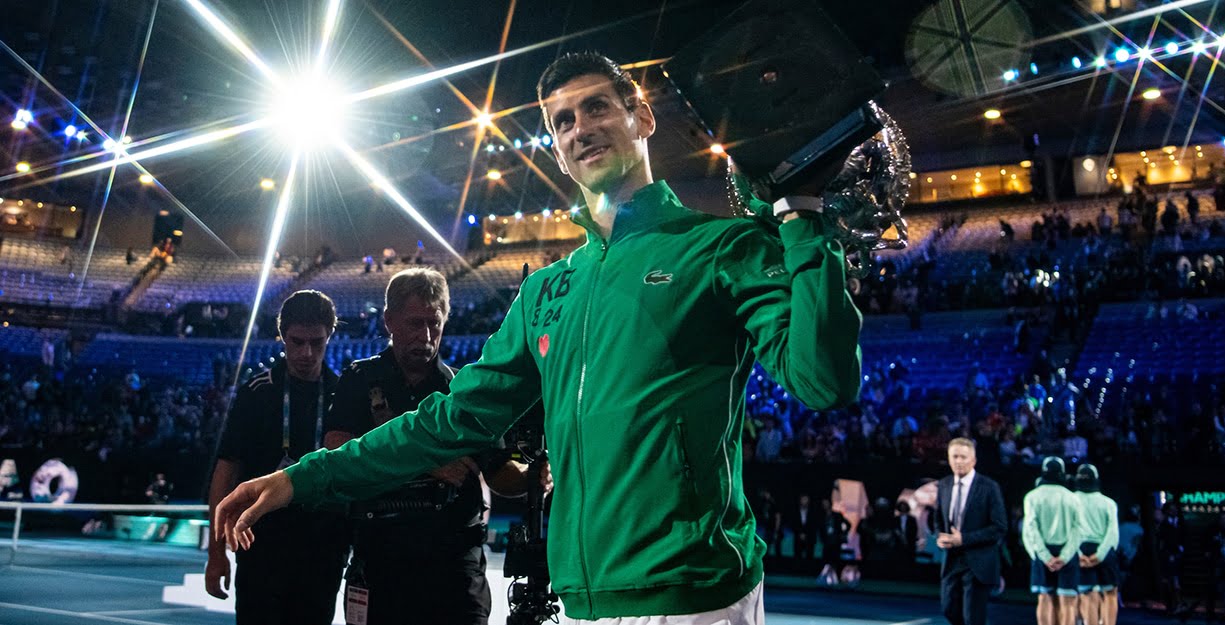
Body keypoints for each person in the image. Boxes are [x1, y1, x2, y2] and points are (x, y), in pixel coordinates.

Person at [215, 51, 862, 623]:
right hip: (582, 599)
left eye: (597, 107)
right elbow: (444, 422)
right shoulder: (547, 292)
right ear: (555, 147)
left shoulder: (720, 248)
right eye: (563, 121)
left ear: (642, 116)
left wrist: (801, 214)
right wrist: (303, 477)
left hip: (693, 596)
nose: (581, 128)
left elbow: (823, 380)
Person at [323, 268, 535, 624]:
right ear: (389, 321)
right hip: (383, 561)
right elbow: (337, 454)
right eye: (414, 323)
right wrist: (428, 462)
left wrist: (537, 476)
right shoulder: (359, 381)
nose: (424, 336)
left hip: (455, 568)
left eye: (433, 324)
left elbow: (500, 473)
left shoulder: (463, 390)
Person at [204, 291, 349, 625]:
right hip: (262, 549)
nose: (306, 353)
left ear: (331, 336)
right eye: (296, 342)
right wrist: (216, 555)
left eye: (317, 342)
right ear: (281, 336)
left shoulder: (343, 395)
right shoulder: (257, 393)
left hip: (322, 551)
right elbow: (226, 471)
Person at [934, 438, 1007, 625]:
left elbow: (999, 527)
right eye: (954, 457)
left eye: (963, 457)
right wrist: (940, 537)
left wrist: (964, 539)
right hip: (952, 560)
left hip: (978, 562)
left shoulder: (989, 487)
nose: (958, 461)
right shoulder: (944, 485)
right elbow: (938, 519)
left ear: (973, 460)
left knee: (972, 617)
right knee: (949, 608)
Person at [1022, 457, 1081, 625]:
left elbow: (1031, 529)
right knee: (1068, 602)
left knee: (1045, 598)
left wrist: (1044, 556)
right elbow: (1078, 530)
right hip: (1066, 554)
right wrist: (1064, 556)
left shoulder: (1032, 497)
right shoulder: (1072, 498)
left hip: (1043, 553)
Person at [1073, 464, 1119, 625]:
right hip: (1104, 549)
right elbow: (1112, 533)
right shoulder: (1108, 503)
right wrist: (1099, 555)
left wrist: (1079, 555)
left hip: (1081, 549)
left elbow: (1069, 530)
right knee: (1110, 593)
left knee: (1088, 593)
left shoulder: (1071, 500)